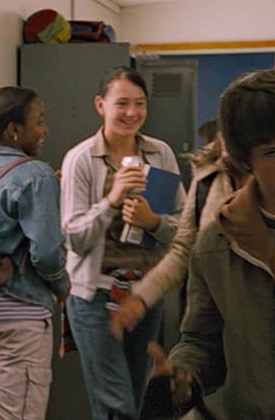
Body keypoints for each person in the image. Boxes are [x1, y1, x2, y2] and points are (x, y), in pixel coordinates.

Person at [146, 67, 275, 419]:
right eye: (274, 152)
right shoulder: (218, 243)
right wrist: (183, 375)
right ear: (245, 159)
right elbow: (202, 340)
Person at [60, 66, 185, 420]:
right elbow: (73, 237)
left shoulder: (160, 153)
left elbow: (184, 228)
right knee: (116, 404)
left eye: (140, 103)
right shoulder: (81, 158)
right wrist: (111, 201)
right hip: (94, 293)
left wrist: (153, 221)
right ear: (101, 105)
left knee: (134, 395)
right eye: (122, 103)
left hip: (144, 292)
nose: (132, 112)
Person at [0, 86, 71, 420]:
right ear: (14, 130)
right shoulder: (36, 175)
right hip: (21, 311)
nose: (45, 129)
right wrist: (63, 288)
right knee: (20, 414)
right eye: (39, 121)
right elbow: (47, 254)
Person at [109, 133, 249, 342]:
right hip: (211, 322)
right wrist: (141, 298)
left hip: (262, 321)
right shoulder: (208, 180)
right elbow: (184, 250)